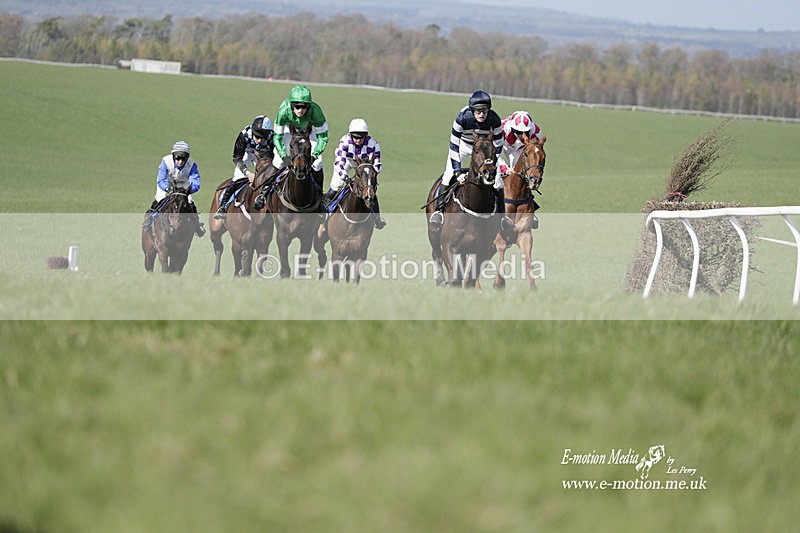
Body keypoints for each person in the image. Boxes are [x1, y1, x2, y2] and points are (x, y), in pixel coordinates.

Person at [429, 90, 512, 230]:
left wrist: (494, 165)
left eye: (484, 110)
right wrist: (457, 172)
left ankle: (502, 218)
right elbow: (453, 146)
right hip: (463, 145)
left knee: (498, 181)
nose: (481, 114)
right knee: (448, 175)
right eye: (478, 111)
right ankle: (439, 211)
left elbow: (498, 146)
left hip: (485, 148)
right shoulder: (462, 119)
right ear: (472, 110)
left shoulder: (495, 120)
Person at [262, 85, 329, 193]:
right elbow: (277, 137)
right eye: (297, 107)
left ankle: (320, 195)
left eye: (304, 107)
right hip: (289, 129)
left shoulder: (316, 113)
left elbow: (323, 138)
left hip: (309, 130)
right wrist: (284, 156)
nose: (301, 110)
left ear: (309, 106)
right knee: (278, 161)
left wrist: (315, 155)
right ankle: (263, 192)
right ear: (291, 105)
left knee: (318, 163)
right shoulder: (283, 111)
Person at [324, 118, 385, 229]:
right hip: (347, 161)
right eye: (355, 137)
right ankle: (324, 214)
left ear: (366, 135)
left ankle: (377, 219)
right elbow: (339, 164)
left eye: (361, 137)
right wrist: (346, 178)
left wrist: (369, 176)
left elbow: (377, 165)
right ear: (351, 135)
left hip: (365, 166)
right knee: (336, 186)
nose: (358, 140)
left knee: (370, 190)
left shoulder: (373, 144)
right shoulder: (345, 142)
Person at [214, 115, 274, 218]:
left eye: (262, 138)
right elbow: (237, 157)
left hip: (263, 157)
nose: (259, 140)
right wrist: (247, 173)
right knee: (238, 177)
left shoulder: (272, 137)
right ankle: (222, 205)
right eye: (257, 137)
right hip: (246, 154)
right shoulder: (244, 134)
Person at [144, 140, 205, 237]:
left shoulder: (192, 164)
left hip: (183, 184)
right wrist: (168, 189)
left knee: (189, 201)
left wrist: (188, 191)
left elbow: (195, 182)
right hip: (167, 183)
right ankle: (149, 220)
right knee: (160, 198)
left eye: (183, 159)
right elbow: (161, 179)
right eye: (178, 159)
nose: (180, 162)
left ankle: (197, 226)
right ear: (173, 157)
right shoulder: (165, 161)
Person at [498, 110, 544, 177]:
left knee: (519, 172)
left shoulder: (536, 134)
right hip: (502, 146)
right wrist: (504, 168)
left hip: (519, 149)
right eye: (518, 131)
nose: (522, 135)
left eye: (525, 132)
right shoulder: (501, 129)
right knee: (497, 172)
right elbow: (496, 153)